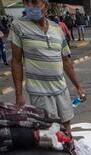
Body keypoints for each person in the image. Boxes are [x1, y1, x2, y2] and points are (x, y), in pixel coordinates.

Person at [9, 0, 86, 132]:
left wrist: (78, 87)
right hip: (40, 92)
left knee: (66, 125)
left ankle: (70, 151)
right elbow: (16, 61)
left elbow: (66, 60)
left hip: (61, 88)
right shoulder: (18, 26)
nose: (30, 7)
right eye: (26, 3)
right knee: (48, 130)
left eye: (34, 3)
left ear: (46, 6)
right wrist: (19, 95)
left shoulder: (56, 28)